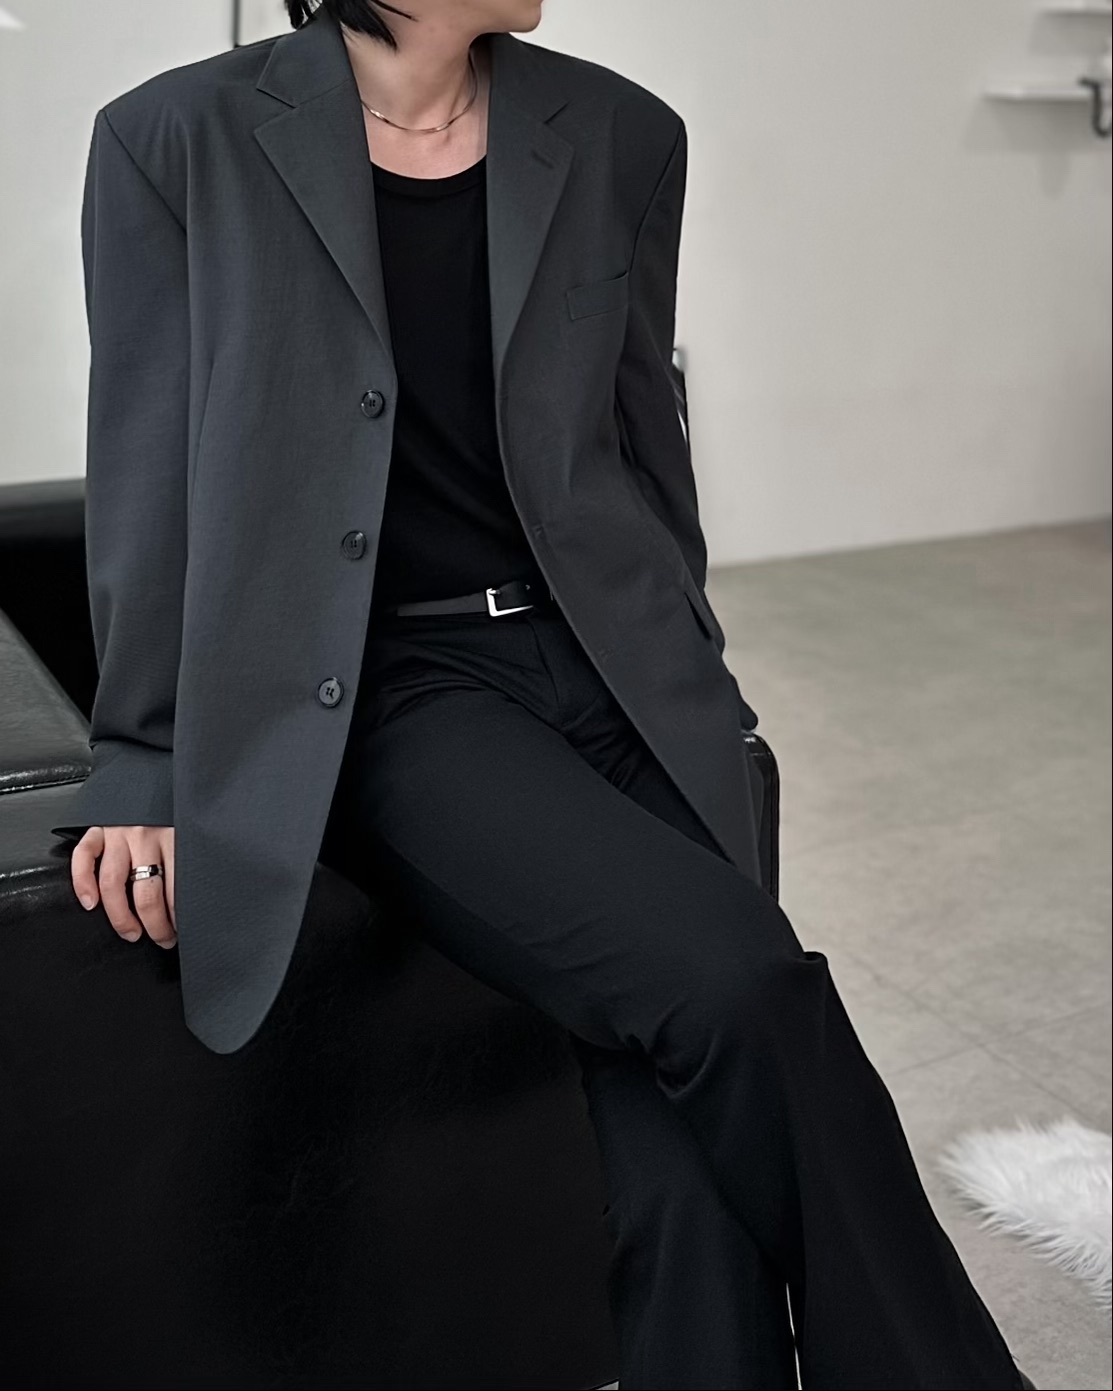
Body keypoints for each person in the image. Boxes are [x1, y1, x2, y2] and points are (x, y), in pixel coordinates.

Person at [55, 1, 1037, 1386]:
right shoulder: (176, 140)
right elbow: (149, 468)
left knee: (673, 1145)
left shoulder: (619, 131)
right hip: (399, 687)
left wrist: (692, 668)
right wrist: (145, 753)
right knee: (740, 982)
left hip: (613, 661)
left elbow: (642, 440)